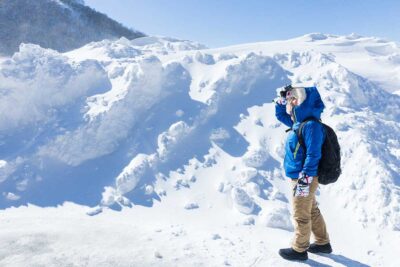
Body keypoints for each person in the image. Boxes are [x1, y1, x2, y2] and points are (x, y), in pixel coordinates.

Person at [275, 85, 332, 261]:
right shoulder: (299, 123)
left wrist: (304, 179)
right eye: (290, 99)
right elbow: (281, 115)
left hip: (304, 177)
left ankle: (299, 250)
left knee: (301, 213)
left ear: (304, 102)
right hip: (302, 177)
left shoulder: (311, 126)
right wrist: (281, 101)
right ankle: (323, 243)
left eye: (295, 99)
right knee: (312, 210)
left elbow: (314, 154)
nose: (291, 102)